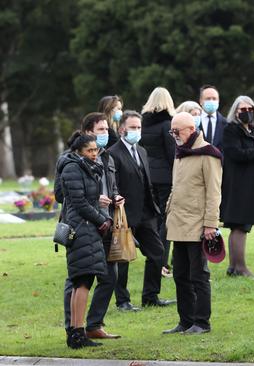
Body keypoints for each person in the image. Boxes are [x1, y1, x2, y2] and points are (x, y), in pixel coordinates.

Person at [57, 113, 125, 341]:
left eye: (108, 129)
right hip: (85, 226)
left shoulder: (100, 161)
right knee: (80, 280)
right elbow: (75, 199)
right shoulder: (71, 165)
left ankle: (87, 327)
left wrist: (113, 198)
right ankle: (75, 330)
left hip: (97, 225)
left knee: (97, 277)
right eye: (90, 150)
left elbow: (104, 188)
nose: (95, 153)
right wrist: (99, 214)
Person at [163, 112, 223, 335]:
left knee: (199, 275)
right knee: (180, 275)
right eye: (172, 131)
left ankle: (202, 322)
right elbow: (176, 187)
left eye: (176, 131)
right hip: (178, 223)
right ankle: (185, 321)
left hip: (198, 225)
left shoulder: (208, 154)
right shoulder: (181, 153)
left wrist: (210, 224)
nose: (174, 135)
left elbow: (214, 193)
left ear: (190, 129)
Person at [107, 110, 174, 308]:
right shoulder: (113, 153)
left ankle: (150, 297)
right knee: (123, 258)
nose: (136, 131)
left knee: (157, 252)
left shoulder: (142, 151)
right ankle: (123, 301)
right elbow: (113, 184)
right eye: (132, 128)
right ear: (122, 130)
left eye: (139, 127)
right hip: (124, 213)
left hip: (146, 213)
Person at [221, 96, 254, 277]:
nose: (246, 112)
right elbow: (234, 153)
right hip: (239, 184)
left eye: (250, 108)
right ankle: (240, 267)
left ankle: (234, 267)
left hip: (251, 182)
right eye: (242, 109)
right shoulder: (231, 130)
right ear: (235, 111)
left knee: (241, 226)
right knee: (240, 225)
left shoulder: (252, 130)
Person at [140, 87, 176, 278]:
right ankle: (161, 260)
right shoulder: (167, 125)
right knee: (166, 220)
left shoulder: (144, 124)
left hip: (149, 175)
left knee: (155, 219)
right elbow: (171, 154)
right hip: (165, 177)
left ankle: (154, 257)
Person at [198, 85, 227, 151]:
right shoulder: (194, 122)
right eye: (208, 99)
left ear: (218, 101)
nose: (211, 101)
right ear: (200, 101)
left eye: (214, 99)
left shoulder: (226, 123)